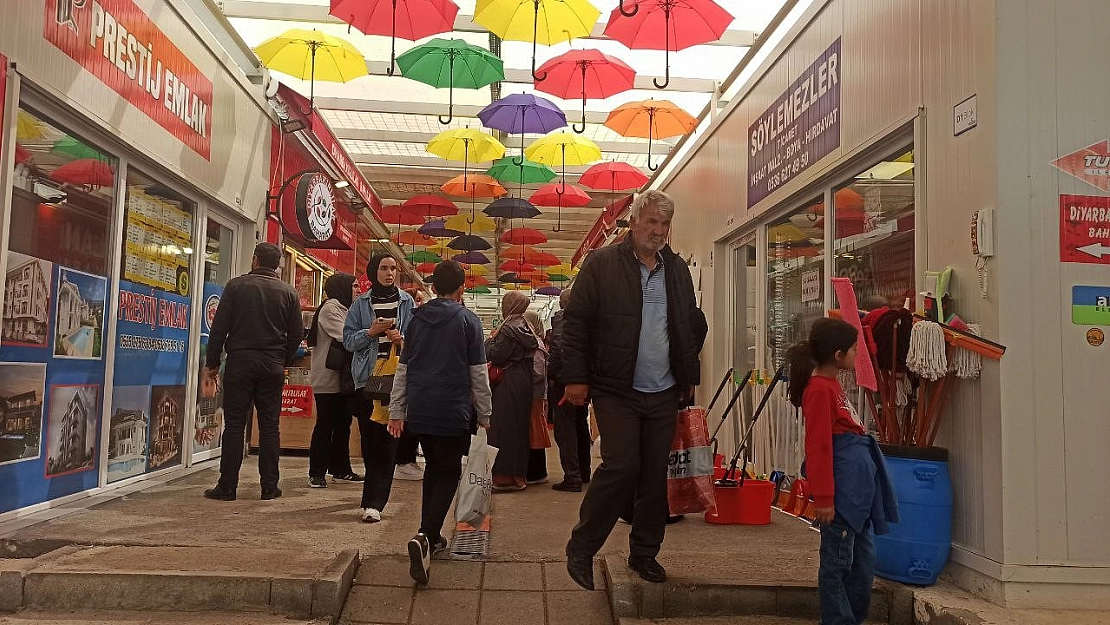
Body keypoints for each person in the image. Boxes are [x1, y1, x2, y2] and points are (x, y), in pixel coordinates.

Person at [561, 190, 702, 590]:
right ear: (634, 222)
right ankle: (583, 548)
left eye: (664, 225)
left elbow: (687, 325)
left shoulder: (676, 270)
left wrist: (687, 374)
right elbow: (577, 325)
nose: (657, 231)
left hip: (664, 390)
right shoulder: (602, 263)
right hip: (615, 387)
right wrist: (575, 378)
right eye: (651, 222)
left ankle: (644, 553)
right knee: (622, 466)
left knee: (655, 475)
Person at [787, 318, 898, 625]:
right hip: (842, 494)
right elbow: (819, 446)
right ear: (838, 355)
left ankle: (852, 617)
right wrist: (823, 497)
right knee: (838, 562)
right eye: (853, 349)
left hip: (855, 491)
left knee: (862, 560)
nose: (857, 354)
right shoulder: (819, 391)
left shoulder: (831, 386)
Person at [388, 260, 492, 585]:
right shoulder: (468, 321)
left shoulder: (416, 320)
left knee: (434, 469)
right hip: (451, 408)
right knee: (448, 472)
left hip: (419, 407)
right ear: (462, 288)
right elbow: (479, 374)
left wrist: (397, 410)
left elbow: (403, 368)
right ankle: (426, 536)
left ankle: (430, 538)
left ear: (433, 287)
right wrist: (486, 414)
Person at [203, 242, 303, 502]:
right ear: (277, 265)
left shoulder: (236, 287)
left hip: (239, 362)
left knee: (235, 425)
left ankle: (227, 486)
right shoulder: (289, 293)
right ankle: (270, 486)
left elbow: (219, 329)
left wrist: (212, 362)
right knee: (270, 426)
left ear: (255, 260)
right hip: (272, 366)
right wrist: (282, 358)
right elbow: (297, 334)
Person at [343, 254, 415, 523]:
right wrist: (370, 332)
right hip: (367, 379)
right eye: (384, 268)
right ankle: (369, 497)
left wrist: (402, 338)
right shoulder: (360, 304)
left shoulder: (407, 302)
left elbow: (416, 341)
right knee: (369, 440)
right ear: (373, 271)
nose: (389, 273)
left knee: (388, 440)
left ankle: (375, 502)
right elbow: (348, 341)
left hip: (396, 380)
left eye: (393, 268)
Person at [306, 273, 362, 488]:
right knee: (326, 425)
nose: (357, 290)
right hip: (328, 378)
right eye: (354, 286)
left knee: (343, 425)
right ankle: (317, 472)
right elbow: (345, 336)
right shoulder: (331, 308)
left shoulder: (346, 308)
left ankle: (341, 469)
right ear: (342, 287)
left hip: (344, 379)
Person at [486, 290, 540, 491]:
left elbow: (497, 355)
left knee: (502, 428)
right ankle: (518, 475)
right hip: (524, 381)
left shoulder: (508, 328)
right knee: (518, 429)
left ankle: (503, 477)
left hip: (507, 382)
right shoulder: (526, 326)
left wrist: (490, 341)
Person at [548, 287, 591, 492]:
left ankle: (572, 477)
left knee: (565, 430)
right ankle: (584, 471)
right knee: (581, 426)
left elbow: (558, 347)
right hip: (585, 379)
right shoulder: (590, 317)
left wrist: (552, 374)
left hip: (565, 381)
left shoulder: (562, 318)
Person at [394, 288, 426, 483]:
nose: (419, 304)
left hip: (415, 376)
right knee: (404, 419)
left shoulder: (419, 322)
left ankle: (407, 460)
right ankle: (403, 462)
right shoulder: (410, 322)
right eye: (417, 300)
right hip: (402, 374)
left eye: (421, 300)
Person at [523, 310, 550, 485]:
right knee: (533, 431)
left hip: (534, 395)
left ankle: (536, 472)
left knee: (533, 432)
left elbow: (538, 372)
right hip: (535, 394)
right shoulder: (536, 343)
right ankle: (536, 471)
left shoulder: (536, 345)